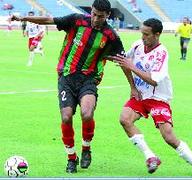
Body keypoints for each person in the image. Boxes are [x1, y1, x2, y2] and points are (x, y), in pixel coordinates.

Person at [11, 0, 124, 174]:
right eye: (93, 14)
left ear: (107, 15)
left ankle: (86, 149)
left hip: (89, 79)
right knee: (66, 117)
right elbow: (49, 20)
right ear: (91, 11)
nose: (95, 19)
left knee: (87, 113)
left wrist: (133, 86)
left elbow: (123, 60)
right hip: (66, 77)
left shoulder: (111, 36)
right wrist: (22, 18)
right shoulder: (77, 20)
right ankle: (71, 158)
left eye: (100, 16)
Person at [107, 18, 192, 178]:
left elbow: (153, 79)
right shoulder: (137, 45)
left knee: (168, 136)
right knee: (124, 119)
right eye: (142, 33)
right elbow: (124, 62)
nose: (143, 37)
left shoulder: (162, 53)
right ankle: (150, 157)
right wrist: (132, 87)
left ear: (157, 34)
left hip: (157, 98)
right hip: (140, 95)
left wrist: (131, 66)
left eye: (147, 34)